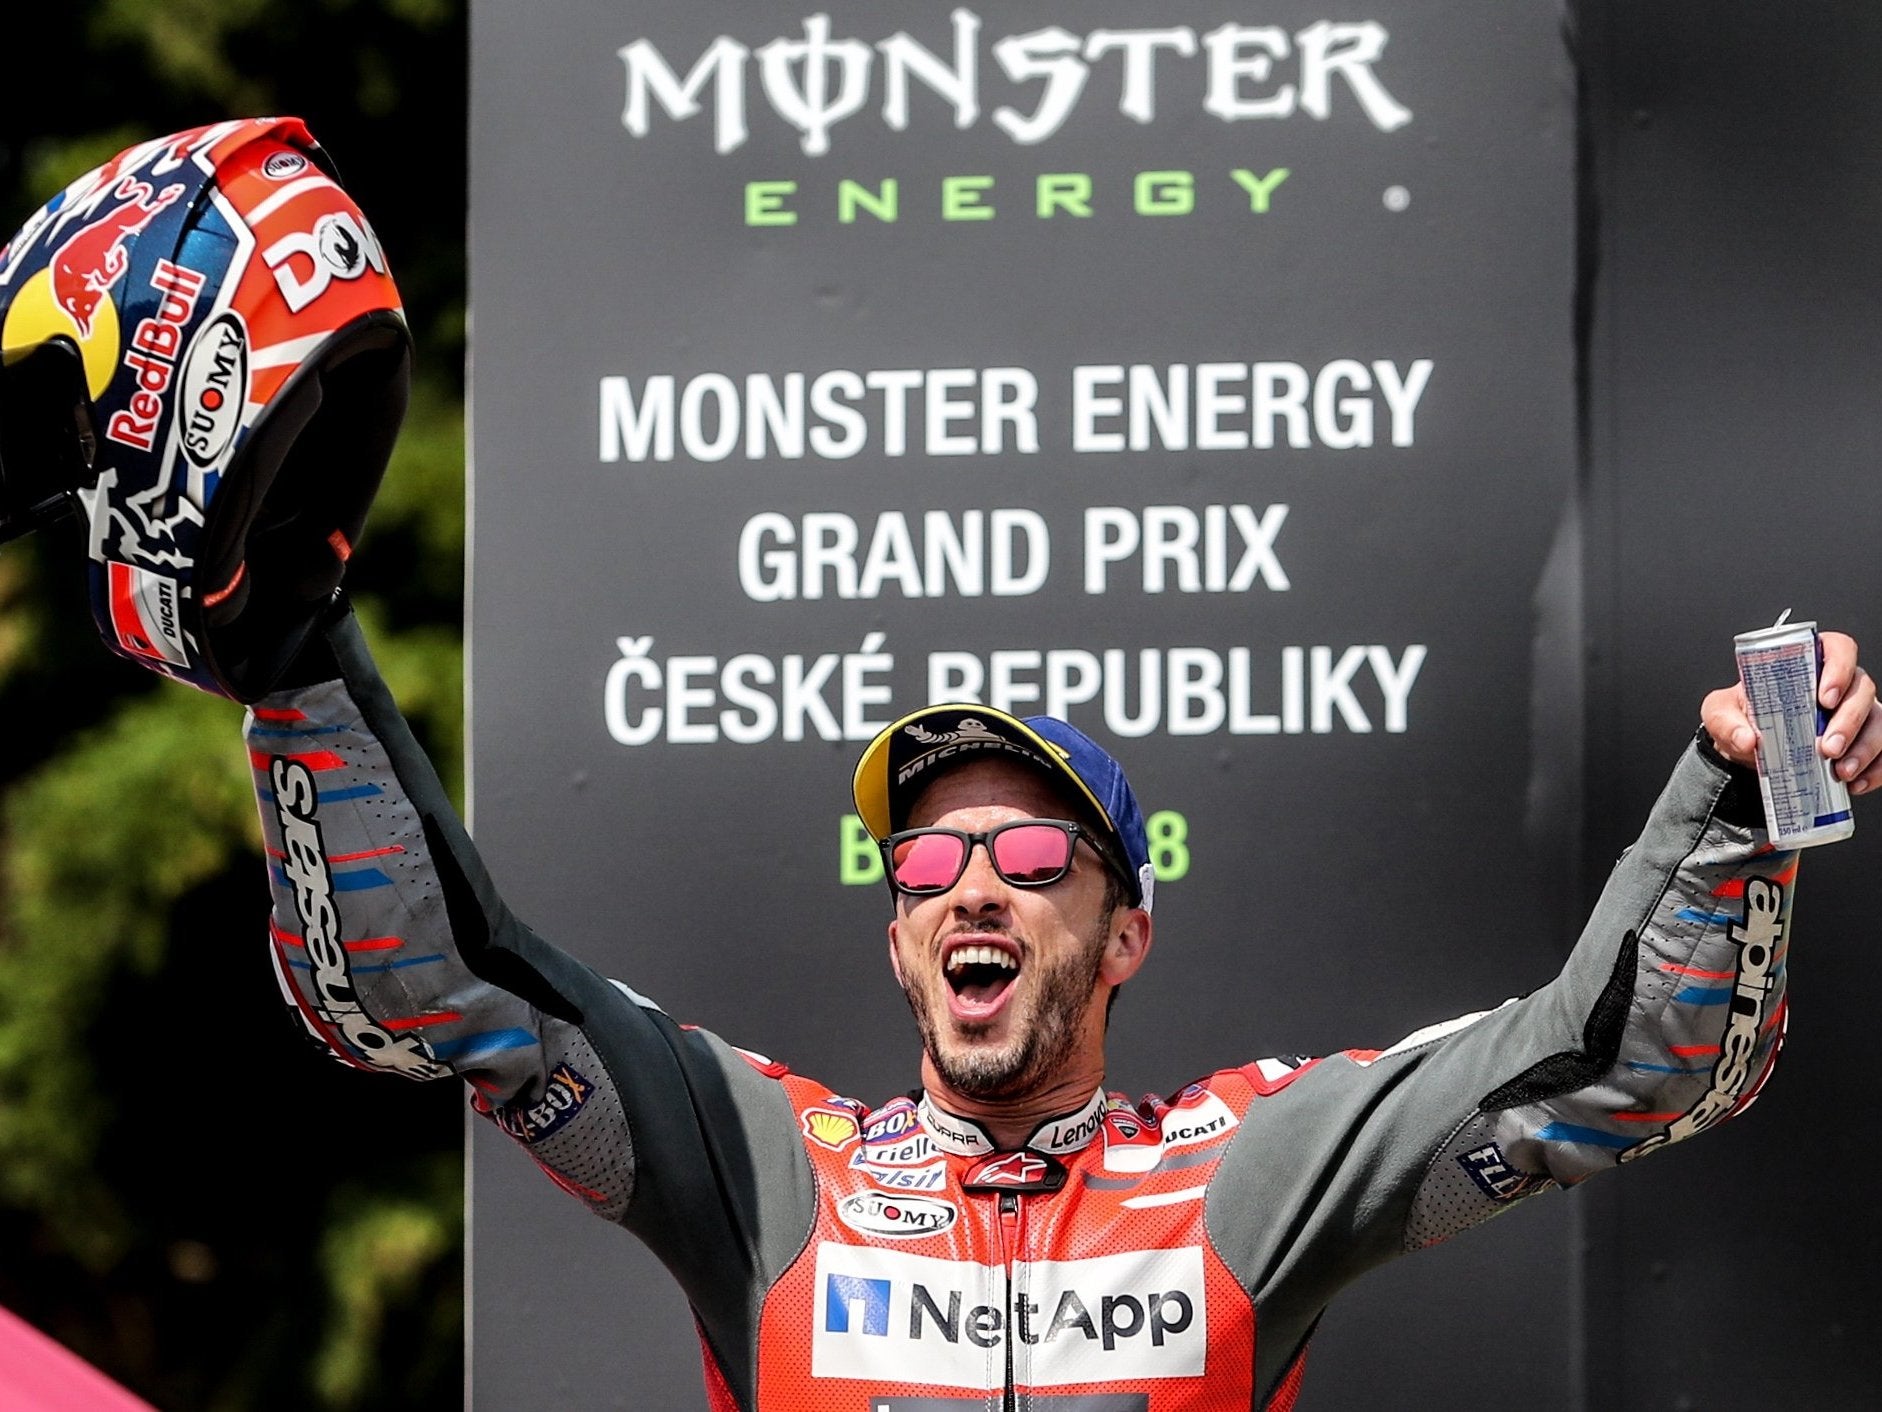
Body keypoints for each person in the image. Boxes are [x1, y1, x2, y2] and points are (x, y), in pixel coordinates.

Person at [4, 119, 1879, 1412]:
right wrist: (290, 644)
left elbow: (1624, 1066)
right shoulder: (763, 1166)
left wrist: (1740, 790)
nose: (968, 884)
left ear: (1123, 934)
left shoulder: (1251, 1172)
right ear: (898, 939)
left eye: (1029, 858)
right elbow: (428, 988)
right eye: (922, 866)